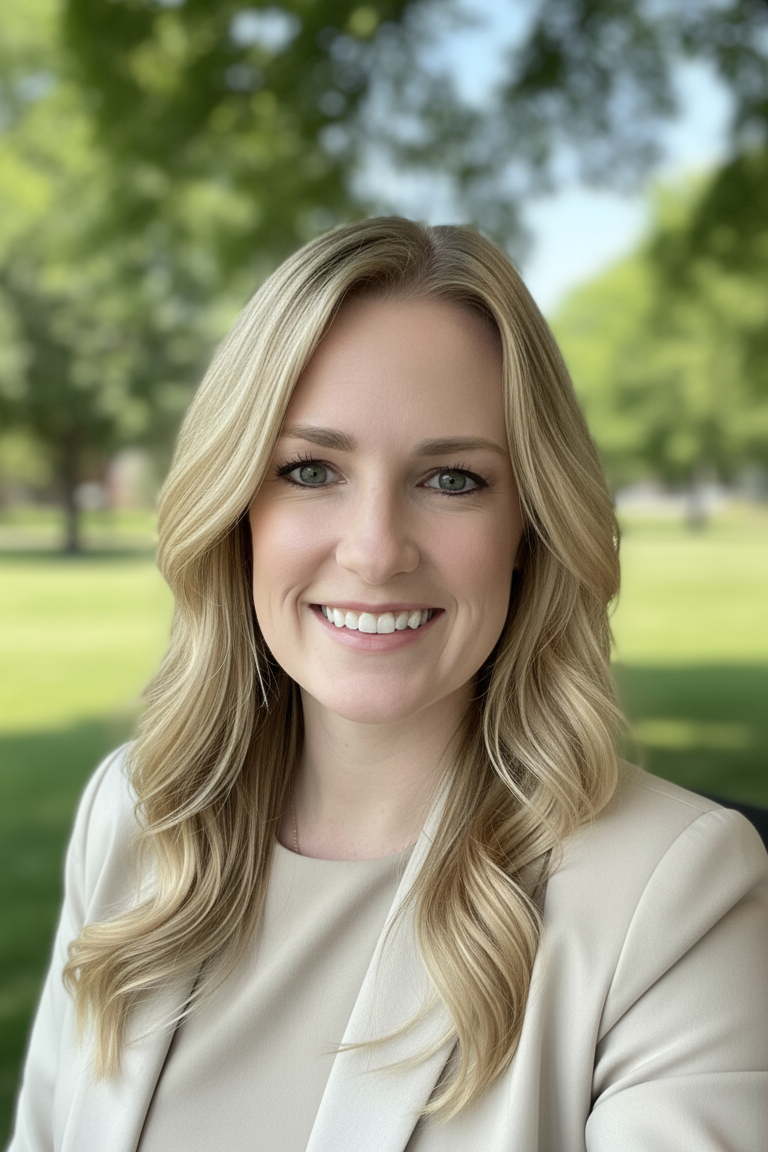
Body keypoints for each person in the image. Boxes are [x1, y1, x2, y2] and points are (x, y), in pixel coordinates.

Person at [8, 218, 768, 1152]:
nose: (374, 552)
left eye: (452, 479)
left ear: (529, 528)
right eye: (311, 470)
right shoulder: (134, 815)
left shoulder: (673, 897)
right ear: (236, 506)